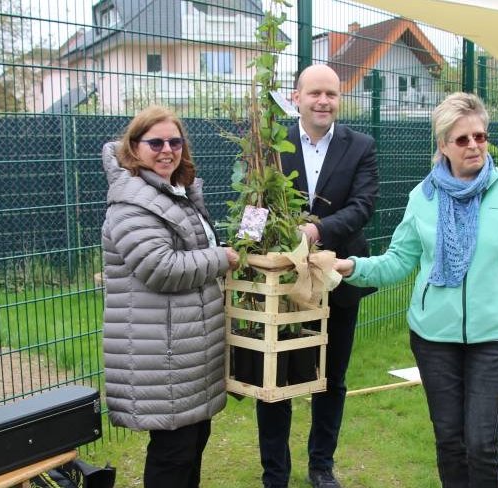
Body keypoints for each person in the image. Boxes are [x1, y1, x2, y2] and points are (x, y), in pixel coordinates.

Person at [334, 92, 498, 488]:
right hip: (434, 337)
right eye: (462, 139)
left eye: (481, 136)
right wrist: (350, 267)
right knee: (450, 439)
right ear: (442, 145)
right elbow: (398, 261)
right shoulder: (422, 198)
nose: (474, 145)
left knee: (482, 442)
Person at [100, 105, 239, 488]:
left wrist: (219, 250)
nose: (167, 150)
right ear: (134, 147)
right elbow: (159, 267)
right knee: (173, 454)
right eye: (156, 142)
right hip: (162, 350)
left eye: (175, 141)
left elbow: (190, 248)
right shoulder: (132, 201)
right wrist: (221, 258)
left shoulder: (175, 192)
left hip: (186, 346)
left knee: (192, 444)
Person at [256, 64, 379, 488]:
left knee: (331, 378)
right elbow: (256, 202)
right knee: (278, 376)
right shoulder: (272, 145)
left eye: (331, 93)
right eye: (315, 93)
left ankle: (321, 467)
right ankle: (275, 473)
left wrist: (317, 230)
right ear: (296, 97)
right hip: (283, 281)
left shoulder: (360, 145)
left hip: (337, 279)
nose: (323, 101)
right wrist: (248, 243)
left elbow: (363, 206)